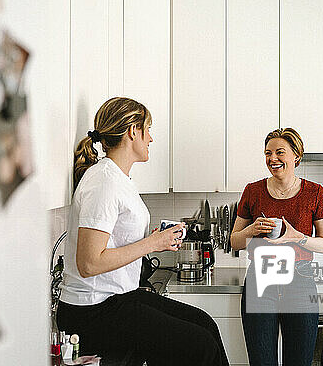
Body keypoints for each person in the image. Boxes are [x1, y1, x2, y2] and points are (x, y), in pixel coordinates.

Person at [56, 97, 228, 366]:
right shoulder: (103, 182)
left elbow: (115, 240)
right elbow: (88, 263)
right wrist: (151, 243)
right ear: (132, 131)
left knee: (205, 324)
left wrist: (155, 239)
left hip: (117, 299)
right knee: (200, 345)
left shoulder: (118, 178)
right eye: (147, 129)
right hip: (92, 309)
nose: (151, 138)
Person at [230, 127, 323, 366]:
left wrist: (298, 237)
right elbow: (235, 240)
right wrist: (252, 230)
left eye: (279, 152)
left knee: (299, 361)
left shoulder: (315, 192)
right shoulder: (253, 191)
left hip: (299, 281)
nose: (272, 159)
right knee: (261, 361)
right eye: (268, 153)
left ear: (296, 155)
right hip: (261, 281)